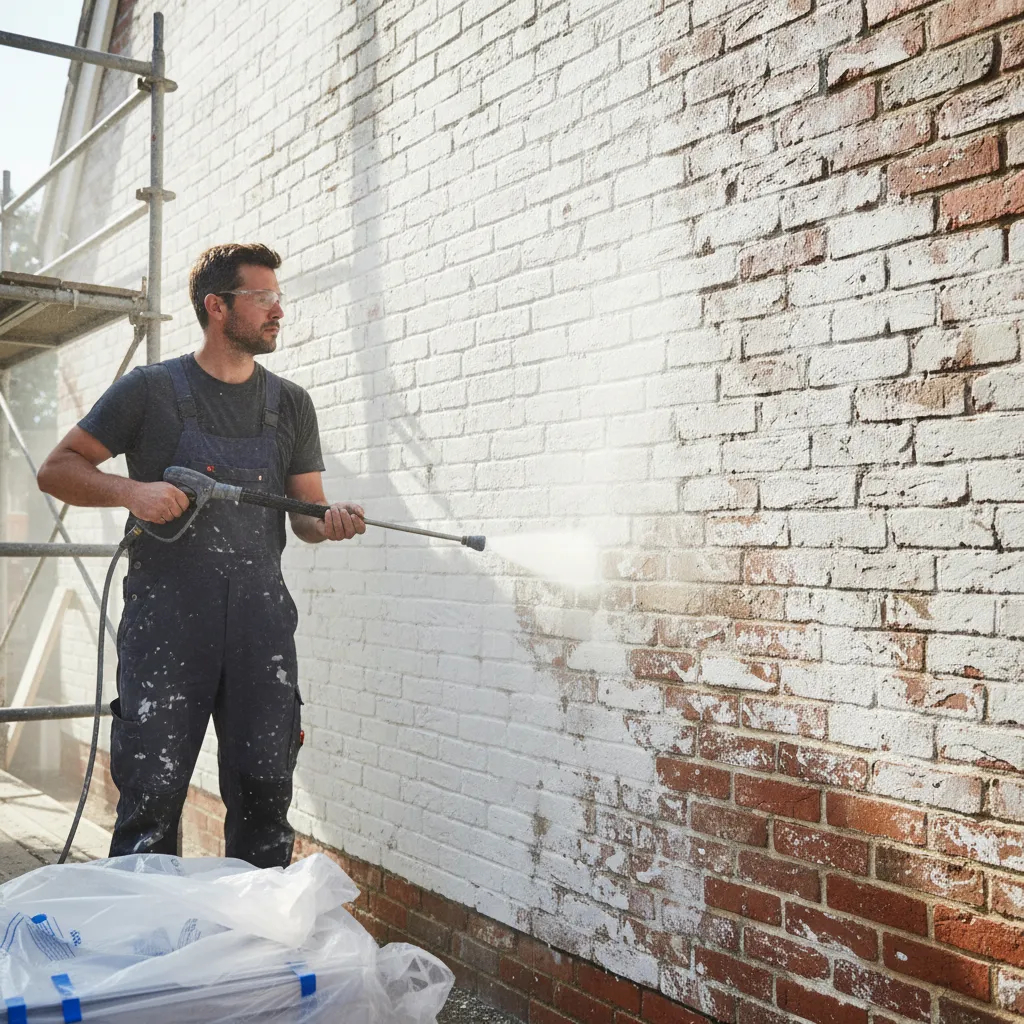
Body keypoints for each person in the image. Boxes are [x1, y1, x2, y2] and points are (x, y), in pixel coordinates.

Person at [37, 243, 365, 867]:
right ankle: (147, 946)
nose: (278, 311)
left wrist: (334, 523)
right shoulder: (150, 391)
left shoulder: (290, 403)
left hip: (260, 625)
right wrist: (132, 492)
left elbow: (307, 518)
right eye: (262, 298)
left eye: (279, 297)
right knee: (152, 798)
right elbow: (57, 470)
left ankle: (253, 946)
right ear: (217, 307)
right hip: (167, 624)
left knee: (267, 793)